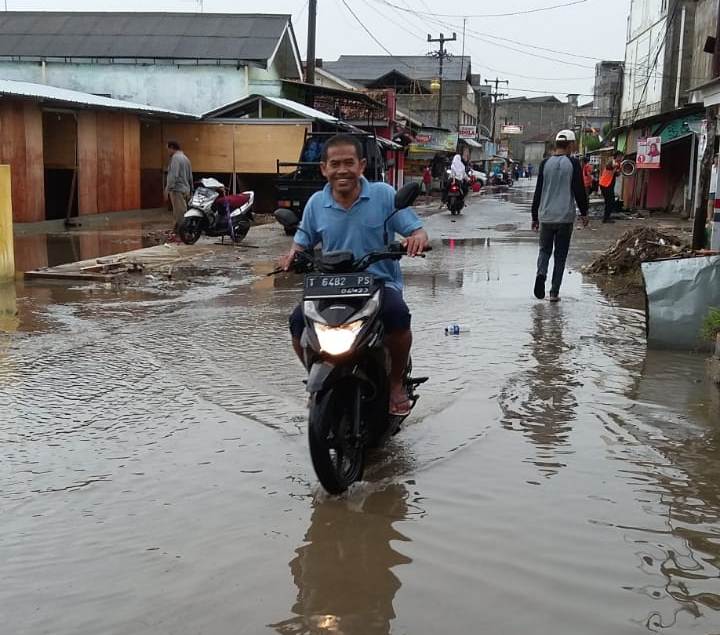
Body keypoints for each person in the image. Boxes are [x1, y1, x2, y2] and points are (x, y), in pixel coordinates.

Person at [279, 134, 429, 416]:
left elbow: (416, 230)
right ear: (324, 168)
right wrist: (292, 255)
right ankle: (316, 379)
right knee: (298, 323)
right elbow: (301, 241)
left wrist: (416, 239)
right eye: (335, 164)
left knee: (398, 315)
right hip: (330, 286)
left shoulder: (384, 195)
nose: (342, 170)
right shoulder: (315, 203)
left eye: (349, 162)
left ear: (361, 166)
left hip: (378, 284)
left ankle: (395, 383)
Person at [531, 129, 589, 302]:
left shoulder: (544, 164)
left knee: (544, 250)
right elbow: (579, 191)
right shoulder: (573, 164)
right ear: (570, 145)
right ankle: (554, 292)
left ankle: (541, 274)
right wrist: (584, 213)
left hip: (546, 216)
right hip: (565, 217)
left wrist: (534, 216)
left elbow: (538, 191)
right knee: (560, 256)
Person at [165, 141, 193, 232]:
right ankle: (178, 230)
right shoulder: (186, 158)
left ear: (172, 147)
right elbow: (190, 176)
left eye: (168, 149)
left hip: (177, 190)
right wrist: (191, 190)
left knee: (179, 213)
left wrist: (167, 189)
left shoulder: (175, 158)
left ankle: (183, 233)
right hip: (186, 189)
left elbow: (173, 175)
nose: (167, 152)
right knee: (183, 211)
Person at [598, 157, 618, 223]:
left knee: (609, 202)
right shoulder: (611, 163)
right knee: (610, 201)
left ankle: (606, 217)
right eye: (621, 156)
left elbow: (617, 174)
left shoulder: (613, 166)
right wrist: (617, 165)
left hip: (607, 185)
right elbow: (613, 166)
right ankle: (606, 218)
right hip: (606, 185)